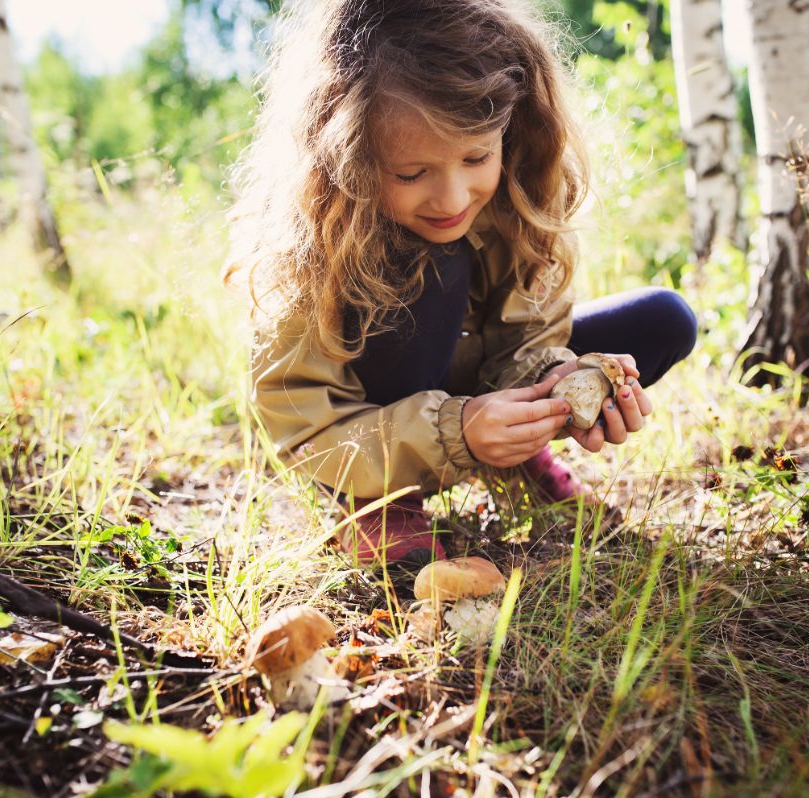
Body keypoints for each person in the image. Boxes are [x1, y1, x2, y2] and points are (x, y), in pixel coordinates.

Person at [225, 0, 697, 570]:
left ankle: (519, 456)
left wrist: (551, 384)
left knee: (663, 319)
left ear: (511, 129)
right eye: (410, 173)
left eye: (476, 157)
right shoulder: (314, 247)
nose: (451, 200)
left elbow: (526, 339)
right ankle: (378, 502)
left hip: (469, 381)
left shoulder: (520, 200)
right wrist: (459, 432)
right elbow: (305, 428)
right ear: (346, 158)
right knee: (431, 263)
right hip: (367, 431)